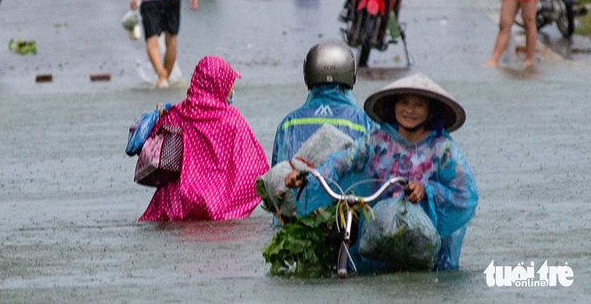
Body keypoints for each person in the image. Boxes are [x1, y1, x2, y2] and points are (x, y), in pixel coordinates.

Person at [285, 73, 478, 270]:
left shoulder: (443, 149)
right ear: (393, 106)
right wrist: (308, 177)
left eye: (418, 105)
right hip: (379, 237)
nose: (410, 110)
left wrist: (426, 191)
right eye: (404, 102)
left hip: (424, 242)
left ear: (430, 111)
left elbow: (465, 197)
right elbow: (342, 162)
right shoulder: (376, 141)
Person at [139, 56, 270, 221]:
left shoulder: (176, 114)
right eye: (229, 83)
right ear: (218, 84)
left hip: (177, 203)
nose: (232, 87)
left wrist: (161, 116)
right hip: (217, 204)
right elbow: (255, 168)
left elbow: (151, 150)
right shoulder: (232, 119)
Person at [271, 40, 375, 167]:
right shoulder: (364, 121)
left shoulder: (289, 123)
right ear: (351, 74)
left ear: (307, 74)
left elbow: (279, 175)